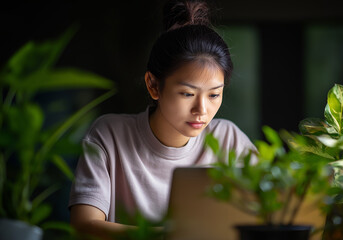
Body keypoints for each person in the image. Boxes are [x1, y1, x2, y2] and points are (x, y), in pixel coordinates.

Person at [69, 0, 255, 238]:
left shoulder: (228, 140)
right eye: (187, 94)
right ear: (153, 85)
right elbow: (84, 225)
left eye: (214, 95)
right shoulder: (109, 135)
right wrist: (171, 236)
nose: (202, 109)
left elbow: (270, 213)